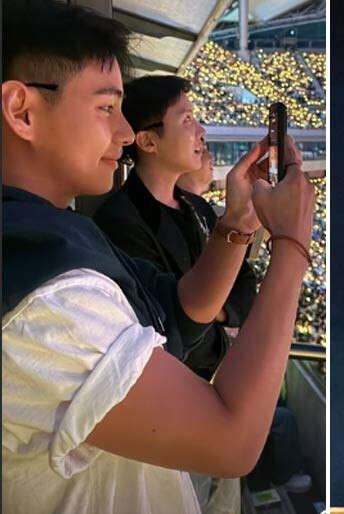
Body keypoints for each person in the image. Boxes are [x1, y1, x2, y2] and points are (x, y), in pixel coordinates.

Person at [1, 2, 315, 513]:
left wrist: (237, 222)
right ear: (22, 111)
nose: (124, 135)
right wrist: (292, 245)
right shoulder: (44, 294)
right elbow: (229, 439)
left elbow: (180, 305)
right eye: (106, 107)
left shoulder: (58, 236)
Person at [93, 76, 257, 381]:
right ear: (148, 142)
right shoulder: (121, 223)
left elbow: (246, 283)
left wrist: (210, 308)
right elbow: (171, 333)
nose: (201, 131)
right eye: (187, 120)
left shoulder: (200, 208)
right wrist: (219, 318)